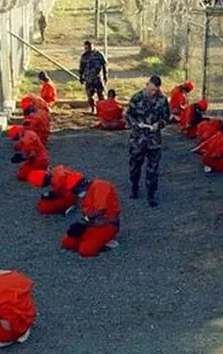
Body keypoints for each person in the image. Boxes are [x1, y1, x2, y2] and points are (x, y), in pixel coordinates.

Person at [127, 75, 171, 207]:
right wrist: (136, 125)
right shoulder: (136, 98)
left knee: (153, 169)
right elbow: (129, 115)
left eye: (155, 90)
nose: (152, 93)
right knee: (135, 166)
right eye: (151, 89)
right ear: (147, 85)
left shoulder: (162, 100)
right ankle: (134, 187)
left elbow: (166, 117)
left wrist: (159, 124)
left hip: (153, 141)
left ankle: (151, 194)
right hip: (137, 139)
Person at [62, 178, 120, 257]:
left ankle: (106, 242)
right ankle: (98, 241)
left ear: (81, 185)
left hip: (107, 223)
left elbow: (100, 210)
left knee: (85, 251)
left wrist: (86, 220)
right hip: (91, 223)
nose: (76, 194)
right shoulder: (86, 192)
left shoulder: (101, 186)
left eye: (75, 191)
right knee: (67, 243)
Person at [78, 41, 108, 113]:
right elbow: (81, 67)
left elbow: (104, 65)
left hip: (98, 78)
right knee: (89, 95)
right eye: (86, 48)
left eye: (89, 47)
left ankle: (102, 109)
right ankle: (92, 108)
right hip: (88, 79)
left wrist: (105, 75)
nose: (87, 49)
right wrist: (81, 77)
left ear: (93, 46)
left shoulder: (99, 54)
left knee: (100, 95)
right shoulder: (84, 56)